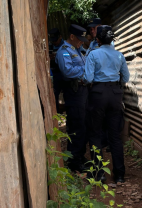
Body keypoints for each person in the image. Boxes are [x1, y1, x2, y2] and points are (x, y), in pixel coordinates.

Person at [83, 26, 130, 183]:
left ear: (98, 40)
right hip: (115, 95)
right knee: (115, 135)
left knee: (95, 133)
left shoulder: (93, 54)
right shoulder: (119, 56)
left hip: (98, 94)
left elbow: (88, 78)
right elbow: (126, 78)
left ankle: (99, 174)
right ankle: (120, 175)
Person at [55, 24, 88, 173]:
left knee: (82, 125)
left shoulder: (78, 50)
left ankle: (79, 156)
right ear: (72, 37)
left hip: (82, 92)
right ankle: (74, 161)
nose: (82, 41)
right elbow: (68, 72)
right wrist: (85, 70)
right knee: (76, 126)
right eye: (79, 39)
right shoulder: (64, 52)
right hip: (73, 93)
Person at [48, 28, 65, 113]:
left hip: (64, 73)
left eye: (56, 40)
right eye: (53, 40)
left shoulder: (66, 45)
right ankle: (57, 114)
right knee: (54, 95)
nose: (54, 42)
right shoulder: (49, 45)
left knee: (67, 94)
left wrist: (58, 56)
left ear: (60, 37)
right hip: (54, 73)